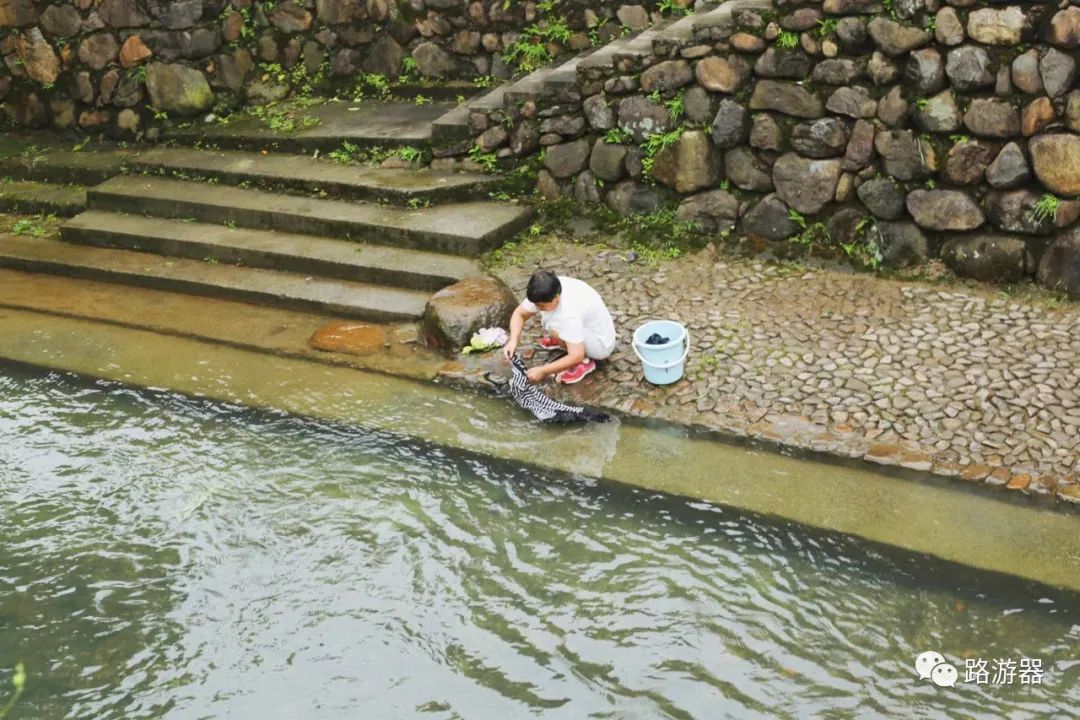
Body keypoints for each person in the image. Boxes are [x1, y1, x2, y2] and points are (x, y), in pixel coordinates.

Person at [502, 270, 617, 384]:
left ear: (556, 298)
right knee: (553, 322)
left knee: (556, 326)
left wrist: (543, 371)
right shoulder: (548, 287)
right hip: (591, 327)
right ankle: (566, 340)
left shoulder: (568, 313)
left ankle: (585, 363)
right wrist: (513, 340)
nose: (537, 308)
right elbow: (520, 314)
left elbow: (576, 355)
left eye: (541, 305)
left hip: (600, 345)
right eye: (536, 304)